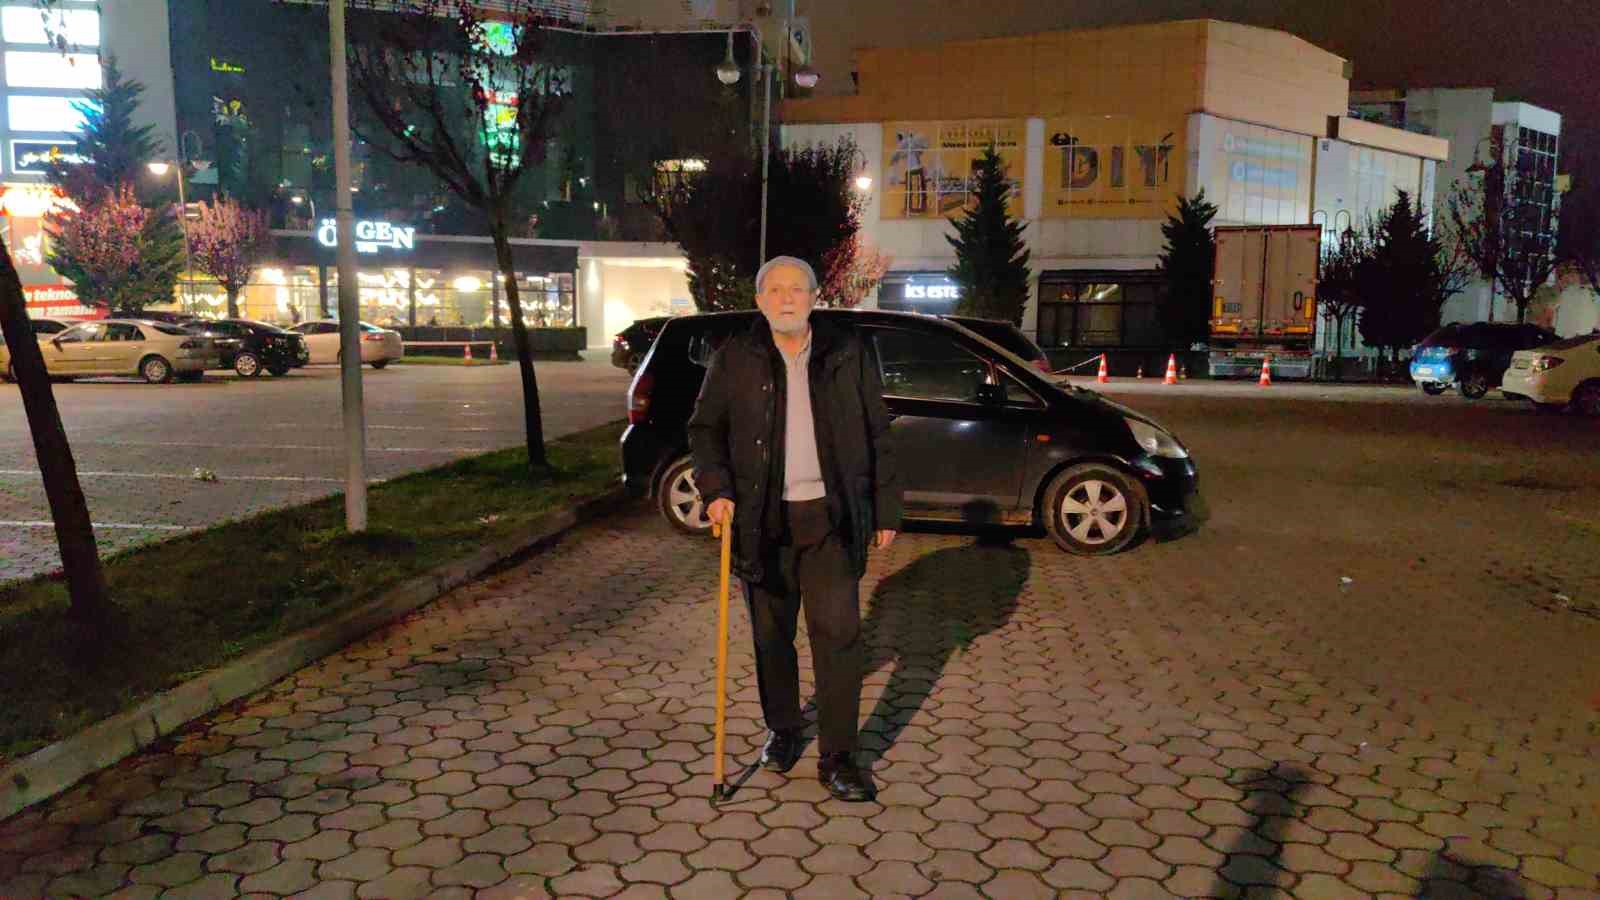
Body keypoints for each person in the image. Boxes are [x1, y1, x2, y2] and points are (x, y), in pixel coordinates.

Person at [688, 255, 900, 802]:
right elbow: (705, 429)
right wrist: (717, 490)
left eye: (797, 289)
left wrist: (885, 508)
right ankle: (783, 729)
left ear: (814, 297)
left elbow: (878, 430)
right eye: (776, 290)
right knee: (771, 637)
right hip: (762, 520)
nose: (787, 299)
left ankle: (839, 756)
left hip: (830, 517)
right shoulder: (735, 356)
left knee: (839, 637)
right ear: (760, 301)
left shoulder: (847, 352)